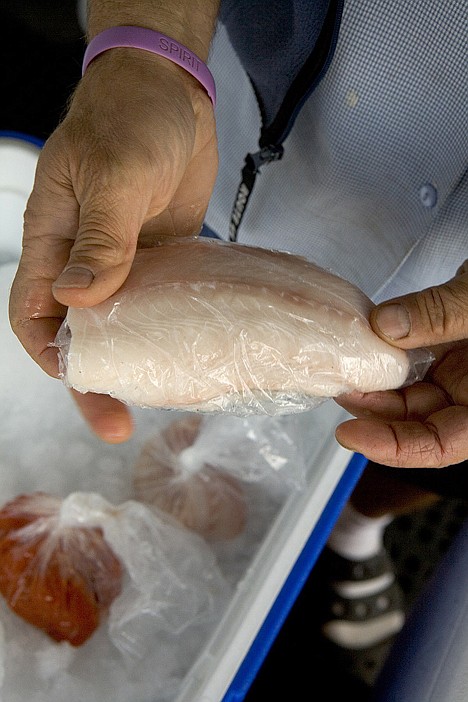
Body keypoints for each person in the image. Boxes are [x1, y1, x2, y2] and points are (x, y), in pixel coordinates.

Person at [8, 0, 468, 689]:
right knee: (387, 414)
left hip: (445, 290)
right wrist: (149, 52)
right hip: (203, 148)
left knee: (416, 443)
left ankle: (352, 531)